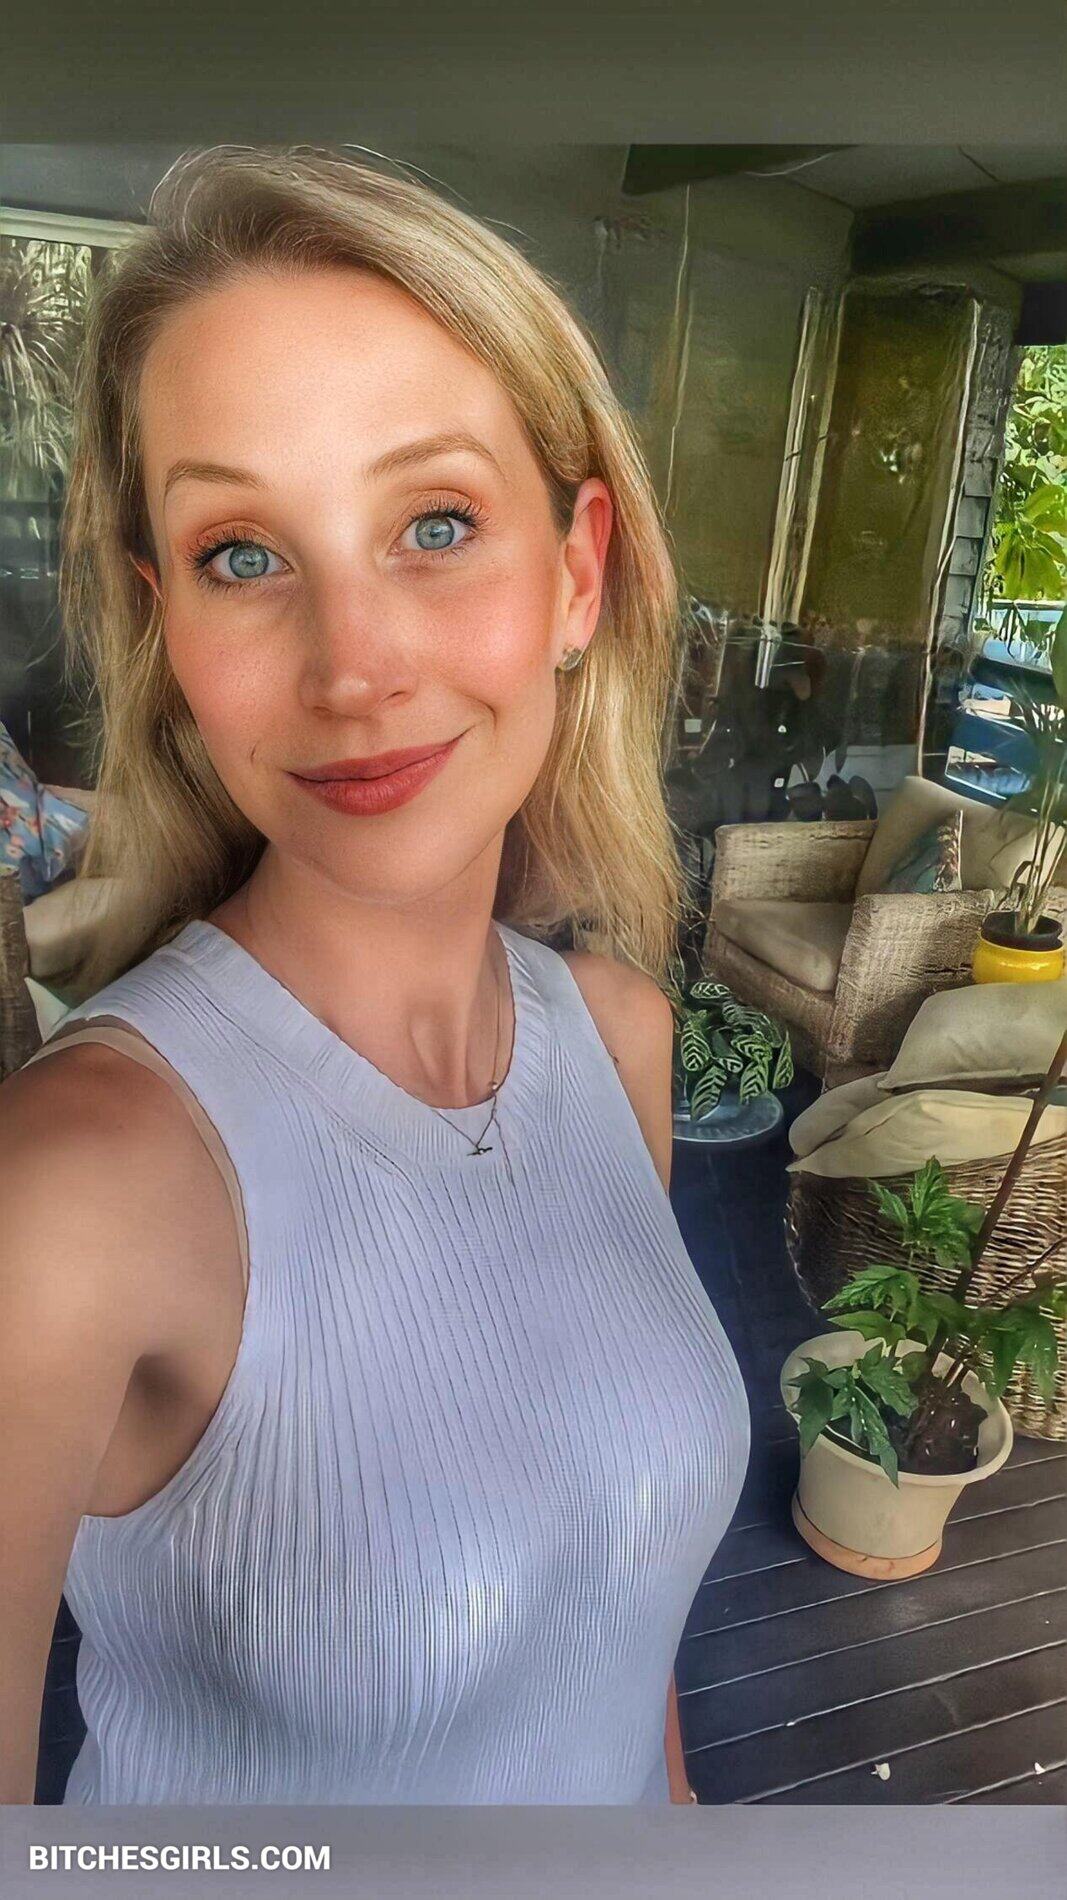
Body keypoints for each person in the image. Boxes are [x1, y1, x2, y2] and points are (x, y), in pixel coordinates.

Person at [0, 146, 750, 1806]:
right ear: (167, 625)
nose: (352, 669)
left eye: (436, 523)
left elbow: (622, 1641)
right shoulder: (75, 1190)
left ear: (577, 573)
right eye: (243, 555)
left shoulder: (619, 1039)